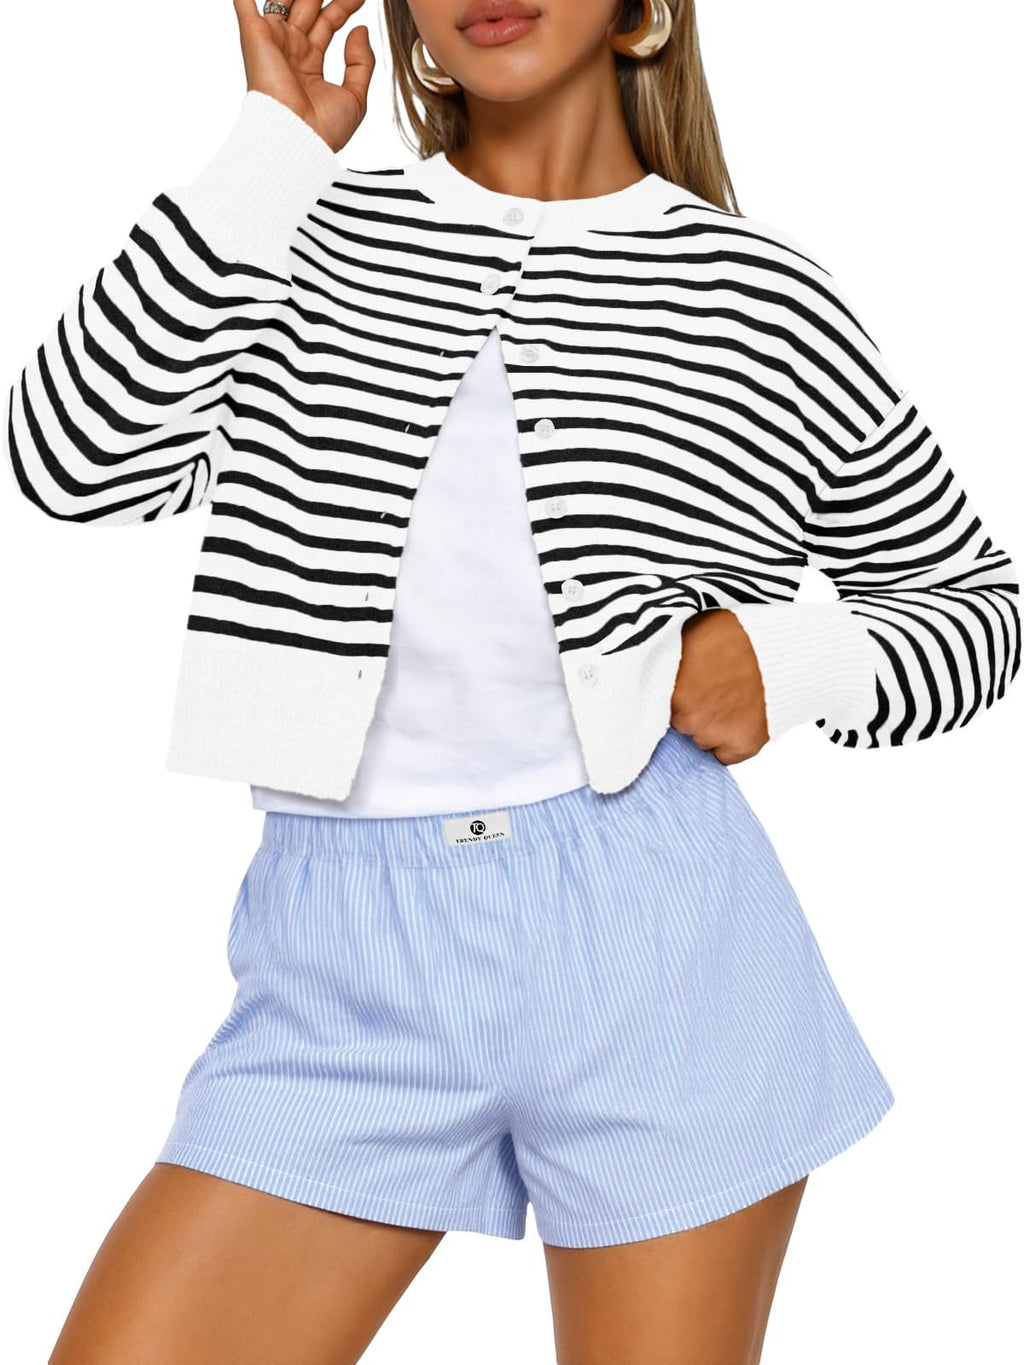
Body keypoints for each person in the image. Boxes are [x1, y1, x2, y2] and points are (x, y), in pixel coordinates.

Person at [4, 1, 1019, 1361]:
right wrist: (271, 149)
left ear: (644, 10)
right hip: (342, 963)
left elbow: (978, 602)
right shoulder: (306, 230)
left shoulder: (755, 298)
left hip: (659, 946)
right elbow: (67, 460)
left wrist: (793, 661)